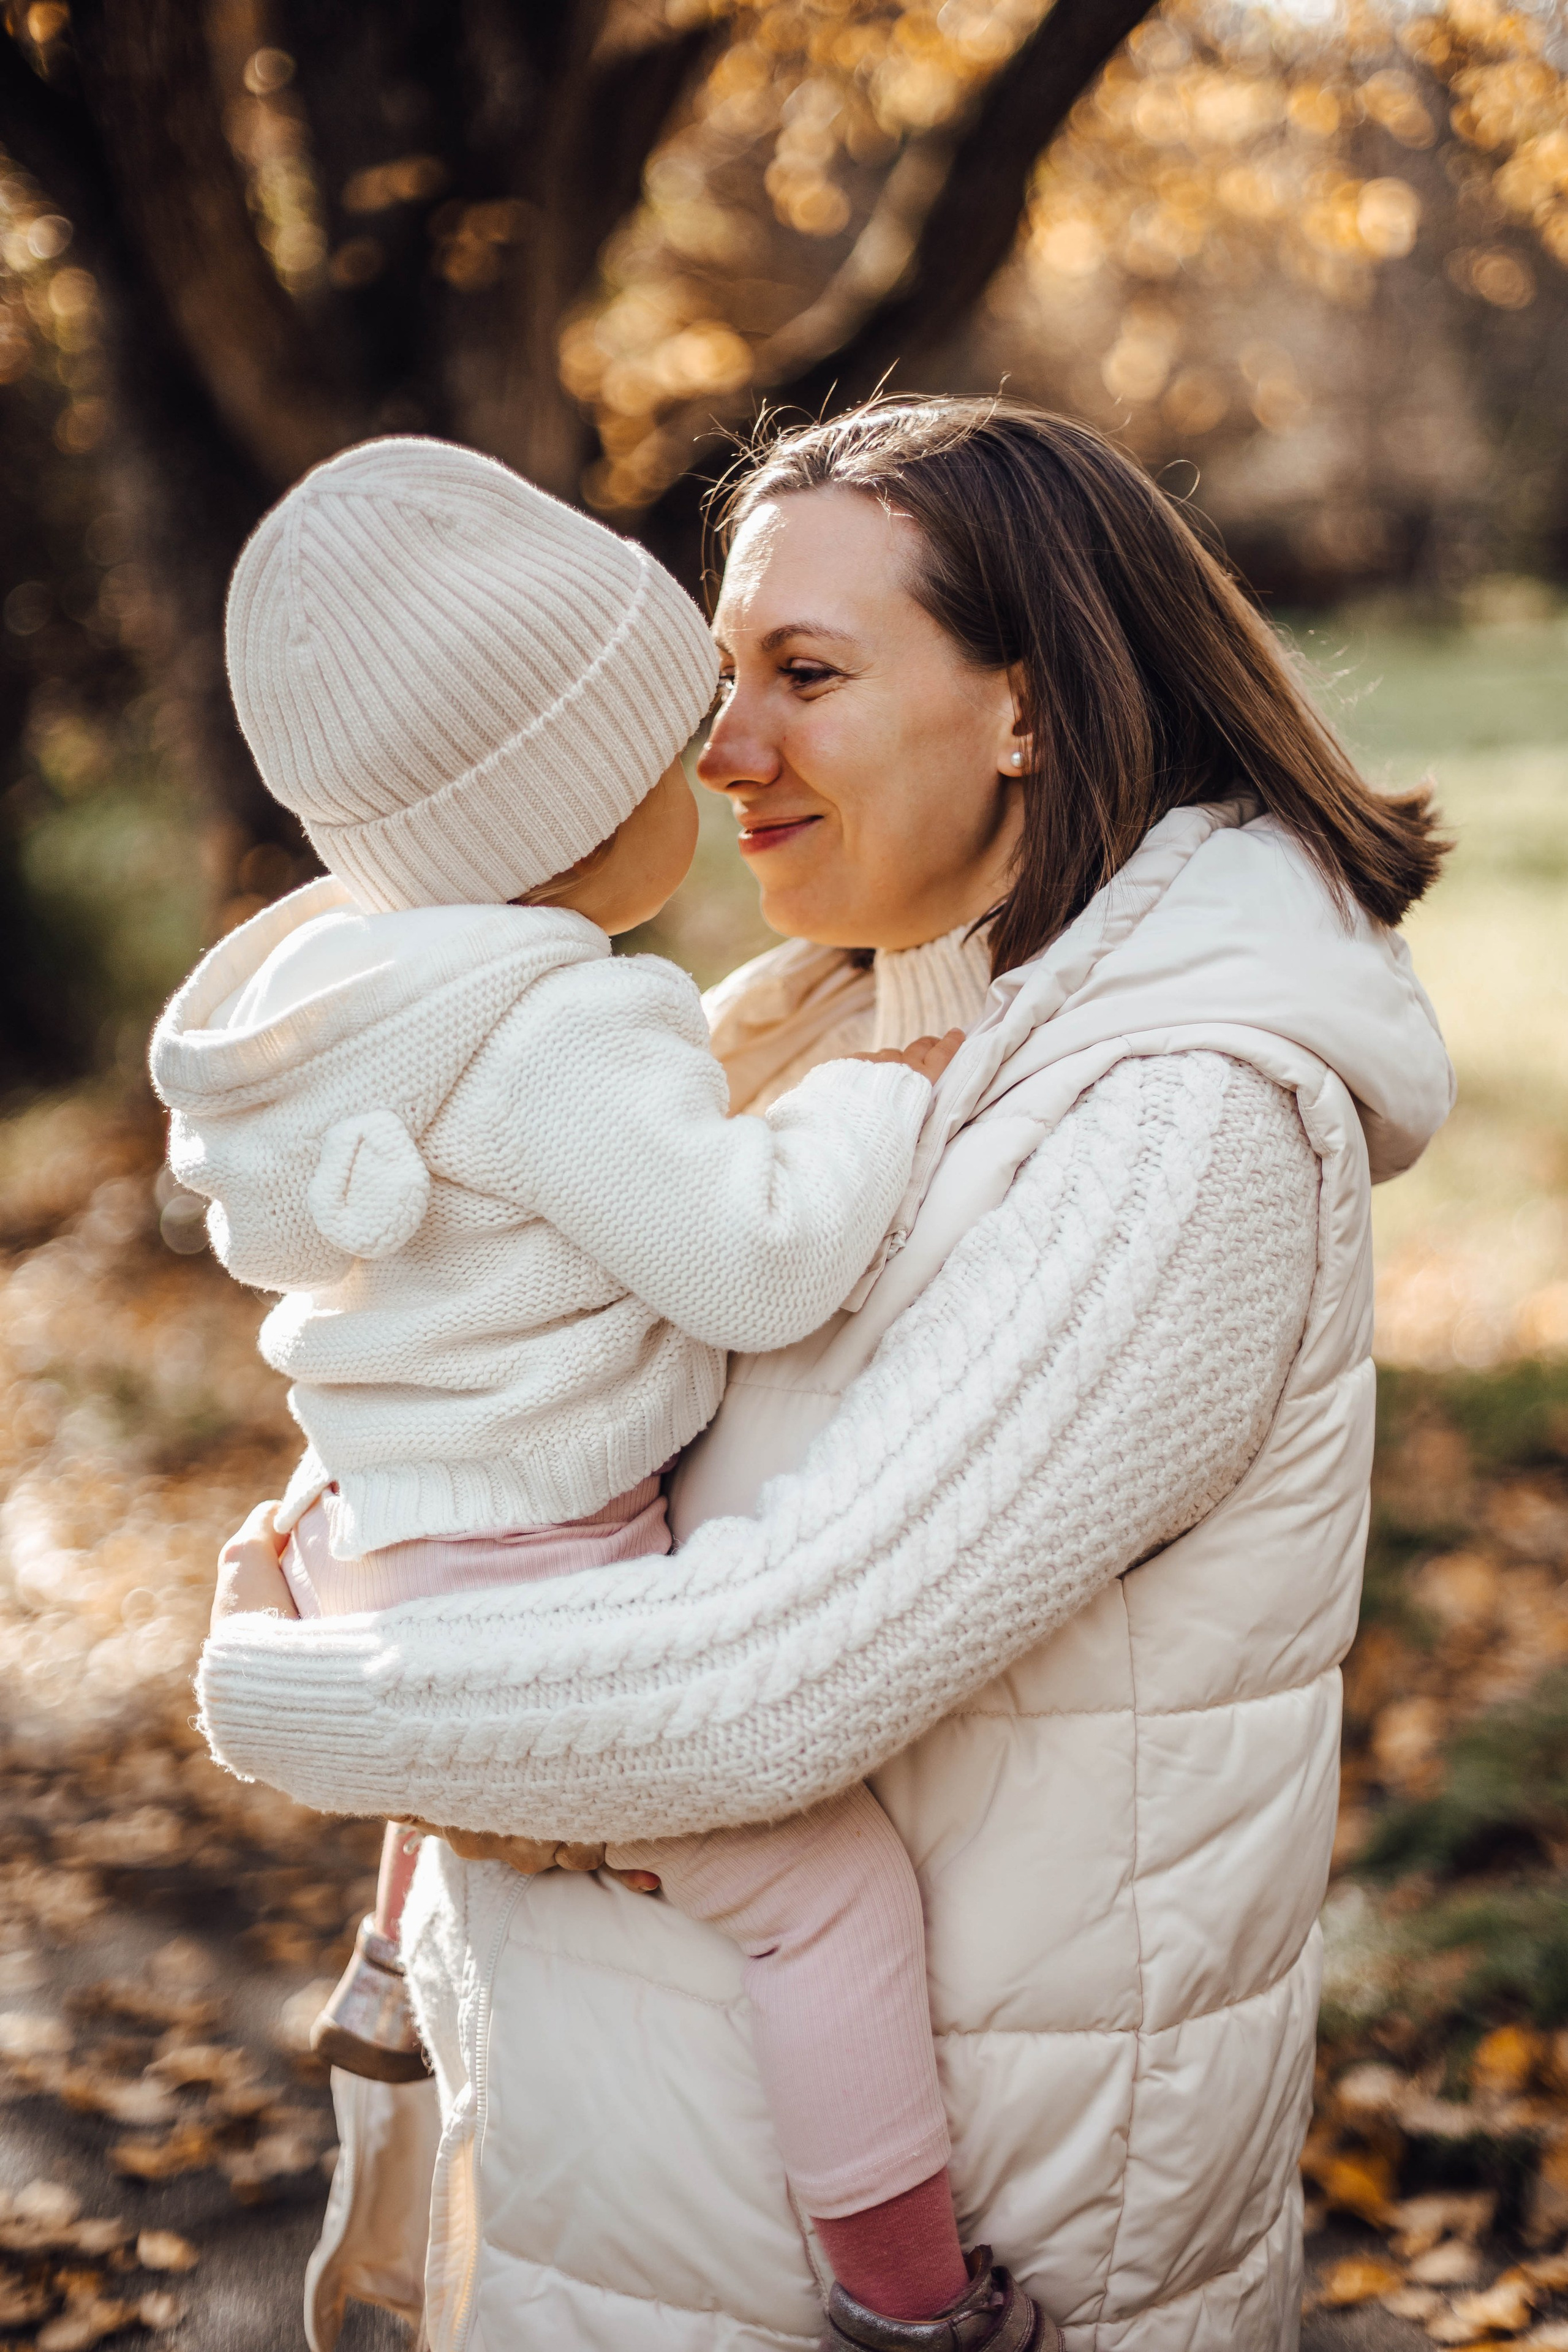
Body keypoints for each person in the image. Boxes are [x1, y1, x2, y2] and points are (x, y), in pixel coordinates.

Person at [198, 399, 1456, 2352]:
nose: (723, 752)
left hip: (892, 2267)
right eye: (720, 677)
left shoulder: (1178, 1125)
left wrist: (287, 1688)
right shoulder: (795, 1033)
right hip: (630, 2226)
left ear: (1025, 709)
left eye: (806, 674)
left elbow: (755, 1700)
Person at [152, 435, 1036, 2346]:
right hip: (522, 1574)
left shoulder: (359, 1005)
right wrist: (894, 1080)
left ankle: (395, 1963)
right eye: (674, 745)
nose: (723, 766)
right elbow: (754, 1260)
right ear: (569, 810)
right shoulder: (563, 1022)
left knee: (455, 1724)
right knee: (822, 1899)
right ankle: (911, 2297)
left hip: (375, 1539)